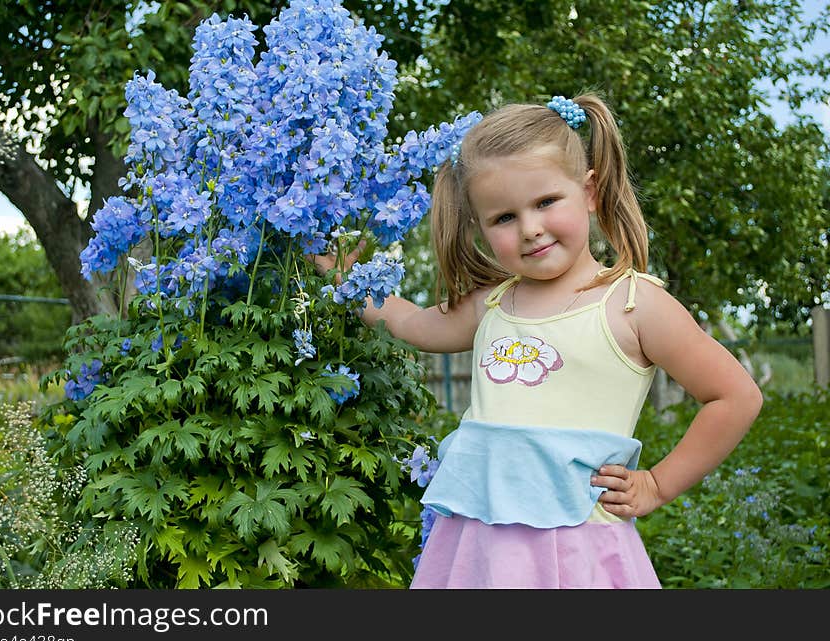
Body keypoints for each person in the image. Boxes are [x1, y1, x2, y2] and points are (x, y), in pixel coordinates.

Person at [311, 93, 763, 589]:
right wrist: (344, 278)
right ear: (480, 228)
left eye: (546, 202)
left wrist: (655, 484)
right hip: (476, 550)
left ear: (589, 191)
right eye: (503, 218)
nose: (530, 229)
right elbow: (412, 322)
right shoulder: (493, 305)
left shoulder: (634, 305)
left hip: (578, 550)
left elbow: (736, 396)